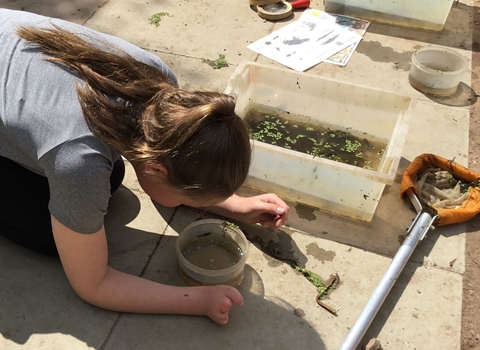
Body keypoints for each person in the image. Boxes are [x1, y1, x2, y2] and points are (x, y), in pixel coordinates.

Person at [0, 9, 289, 325]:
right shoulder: (79, 159)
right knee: (49, 231)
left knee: (106, 182)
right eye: (196, 199)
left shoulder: (162, 85)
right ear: (158, 169)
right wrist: (197, 301)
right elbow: (93, 284)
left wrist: (236, 206)